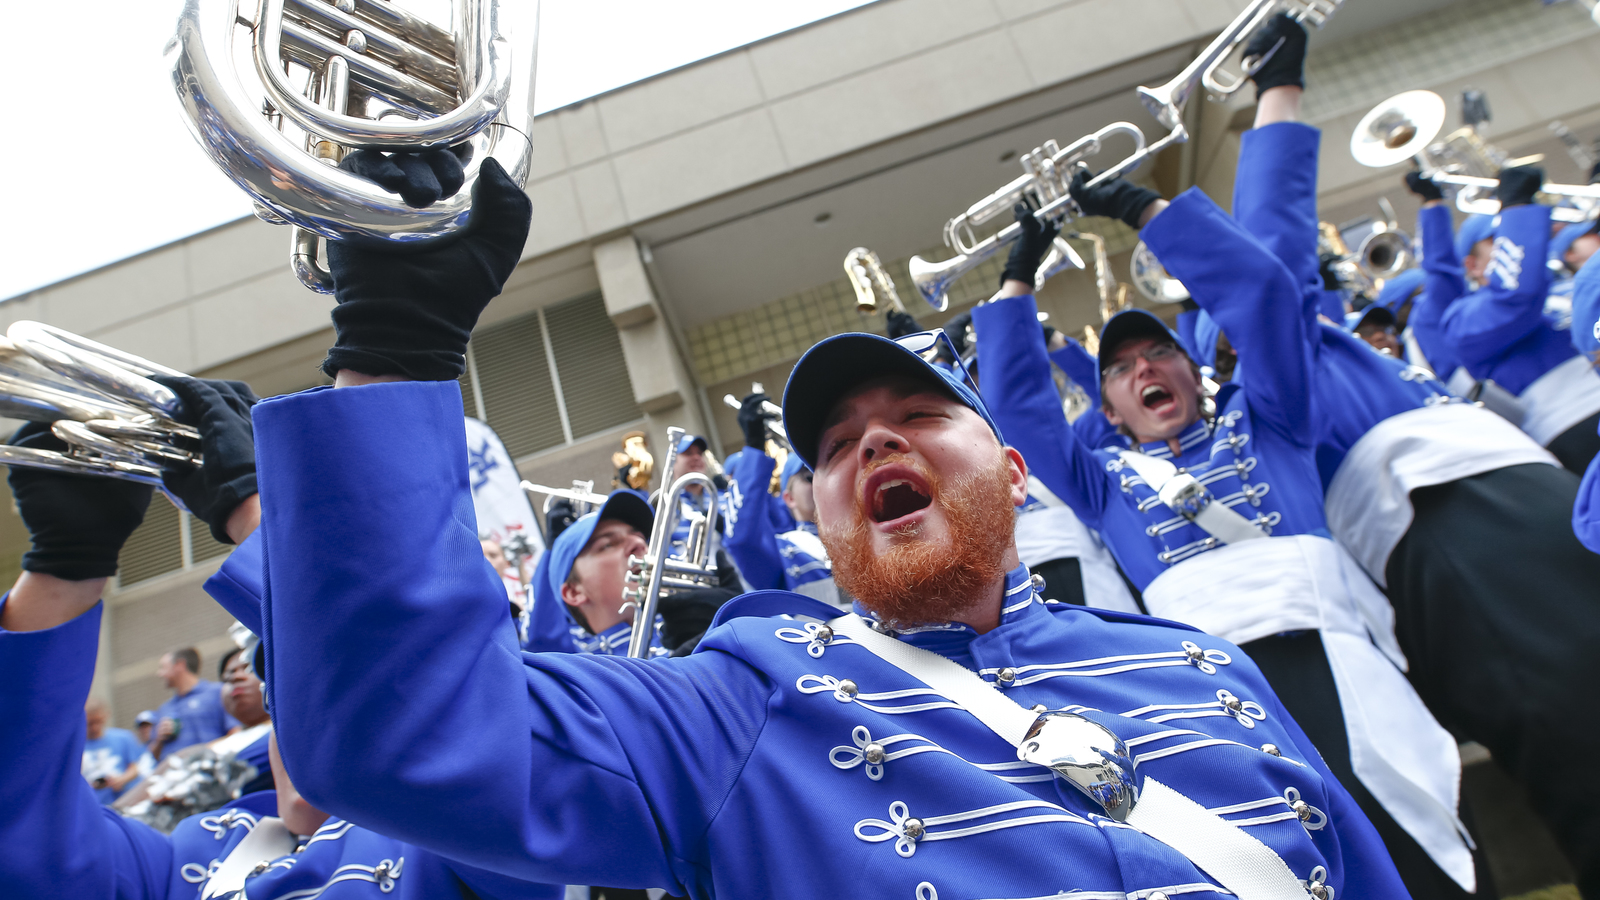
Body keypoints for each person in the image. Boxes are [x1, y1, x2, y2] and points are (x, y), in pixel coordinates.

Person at [243, 145, 1407, 900]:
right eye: (838, 447)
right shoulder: (737, 697)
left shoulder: (1192, 665)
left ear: (1014, 469)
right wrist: (396, 360)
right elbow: (402, 736)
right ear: (814, 515)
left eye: (915, 416)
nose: (876, 445)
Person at [970, 17, 1475, 892]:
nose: (1144, 370)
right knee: (1273, 864)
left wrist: (1143, 210)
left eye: (1158, 353)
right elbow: (1017, 405)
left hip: (1336, 654)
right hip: (1208, 689)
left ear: (1194, 371)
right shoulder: (1102, 480)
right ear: (1111, 408)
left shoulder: (1269, 418)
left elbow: (1264, 292)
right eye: (1121, 369)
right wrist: (1017, 278)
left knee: (1411, 833)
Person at [1226, 49, 1600, 897]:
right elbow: (1266, 258)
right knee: (1588, 744)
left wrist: (1435, 207)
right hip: (1462, 541)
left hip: (1534, 508)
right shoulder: (1282, 371)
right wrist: (1278, 95)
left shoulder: (1369, 351)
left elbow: (1425, 286)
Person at [1406, 169, 1600, 474]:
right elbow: (1515, 296)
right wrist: (1518, 209)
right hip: (1575, 429)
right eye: (1500, 239)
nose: (1519, 241)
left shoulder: (1559, 291)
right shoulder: (1461, 320)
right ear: (1472, 265)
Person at [724, 390, 842, 607]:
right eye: (808, 477)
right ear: (788, 498)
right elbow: (742, 541)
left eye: (824, 472)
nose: (818, 482)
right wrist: (754, 448)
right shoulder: (784, 549)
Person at [147, 646, 238, 762]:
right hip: (176, 777)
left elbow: (236, 732)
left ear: (180, 665)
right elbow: (154, 756)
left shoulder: (218, 692)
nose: (160, 674)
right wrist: (159, 739)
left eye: (163, 668)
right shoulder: (165, 708)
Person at [81, 697, 142, 804]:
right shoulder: (77, 748)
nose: (94, 727)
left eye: (98, 722)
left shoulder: (123, 738)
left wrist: (121, 779)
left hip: (122, 801)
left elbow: (135, 769)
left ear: (106, 715)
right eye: (90, 723)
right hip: (94, 805)